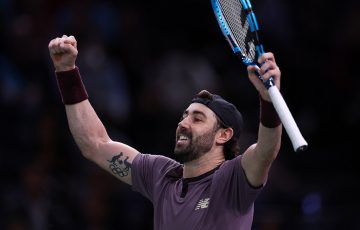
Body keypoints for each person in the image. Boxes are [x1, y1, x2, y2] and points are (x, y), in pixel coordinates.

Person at [48, 35, 282, 230]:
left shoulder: (233, 179)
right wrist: (66, 72)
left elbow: (266, 150)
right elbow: (95, 144)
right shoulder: (161, 175)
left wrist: (268, 99)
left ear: (224, 135)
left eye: (197, 118)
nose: (183, 123)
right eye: (184, 116)